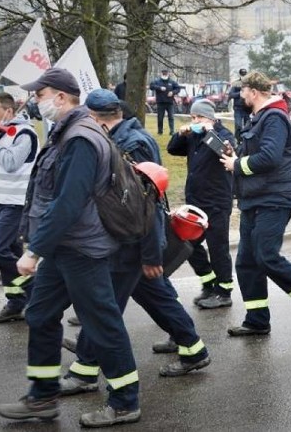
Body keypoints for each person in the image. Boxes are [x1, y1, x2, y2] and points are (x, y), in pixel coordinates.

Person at [0, 68, 141, 427]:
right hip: (66, 247)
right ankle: (42, 397)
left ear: (61, 97)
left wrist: (33, 251)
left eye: (40, 94)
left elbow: (68, 202)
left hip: (82, 248)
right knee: (40, 314)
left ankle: (125, 401)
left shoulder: (79, 137)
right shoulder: (66, 133)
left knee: (102, 322)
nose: (35, 100)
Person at [59, 89, 209, 391]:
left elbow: (146, 202)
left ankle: (85, 370)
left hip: (131, 241)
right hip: (130, 240)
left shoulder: (132, 145)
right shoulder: (121, 141)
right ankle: (194, 350)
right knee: (152, 298)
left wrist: (151, 253)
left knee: (104, 305)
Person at [220, 72, 291, 336]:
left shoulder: (274, 118)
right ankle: (257, 321)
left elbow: (269, 158)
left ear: (254, 92)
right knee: (247, 262)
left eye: (243, 90)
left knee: (266, 255)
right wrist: (235, 154)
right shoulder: (259, 118)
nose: (240, 95)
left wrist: (236, 165)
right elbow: (259, 153)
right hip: (254, 199)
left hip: (274, 199)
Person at [167, 99, 237, 309]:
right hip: (196, 201)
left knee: (218, 247)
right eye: (193, 117)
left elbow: (226, 153)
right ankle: (208, 281)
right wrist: (181, 134)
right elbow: (172, 149)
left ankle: (224, 291)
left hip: (217, 201)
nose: (195, 121)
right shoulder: (193, 137)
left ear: (211, 118)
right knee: (187, 244)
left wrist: (209, 132)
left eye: (199, 117)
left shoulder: (223, 135)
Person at [0, 93, 38, 323]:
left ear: (9, 112)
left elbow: (12, 164)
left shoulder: (24, 133)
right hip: (0, 202)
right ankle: (16, 303)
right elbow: (3, 161)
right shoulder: (5, 133)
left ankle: (36, 292)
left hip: (16, 204)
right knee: (12, 254)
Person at [149, 69, 182, 136]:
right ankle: (160, 131)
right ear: (161, 74)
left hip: (170, 102)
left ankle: (172, 131)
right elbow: (151, 86)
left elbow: (178, 88)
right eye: (163, 73)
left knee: (171, 117)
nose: (165, 74)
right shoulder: (157, 81)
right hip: (160, 102)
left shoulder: (172, 82)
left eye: (166, 73)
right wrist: (159, 88)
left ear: (168, 74)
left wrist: (173, 92)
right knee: (160, 117)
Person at [227, 68, 249, 141]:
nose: (244, 76)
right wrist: (239, 94)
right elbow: (231, 94)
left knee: (248, 126)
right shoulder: (236, 83)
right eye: (242, 74)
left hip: (247, 108)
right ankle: (238, 140)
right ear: (240, 75)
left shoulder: (250, 84)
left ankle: (246, 140)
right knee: (238, 125)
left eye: (245, 74)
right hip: (238, 108)